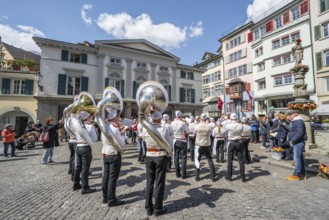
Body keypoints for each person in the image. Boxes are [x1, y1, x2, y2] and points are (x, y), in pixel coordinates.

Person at [144, 110, 169, 217]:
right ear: (160, 118)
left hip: (149, 155)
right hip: (160, 155)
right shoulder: (163, 129)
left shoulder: (146, 129)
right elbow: (169, 144)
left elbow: (144, 141)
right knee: (159, 182)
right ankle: (158, 208)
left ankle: (148, 207)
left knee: (149, 182)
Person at [101, 110, 126, 207]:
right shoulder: (115, 129)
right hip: (114, 154)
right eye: (118, 117)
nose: (119, 119)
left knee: (106, 176)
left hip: (105, 153)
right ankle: (111, 199)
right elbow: (121, 144)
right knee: (112, 178)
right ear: (115, 118)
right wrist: (123, 134)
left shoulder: (105, 127)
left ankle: (105, 197)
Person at [73, 111, 98, 194]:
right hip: (85, 148)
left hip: (78, 147)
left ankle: (76, 184)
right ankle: (85, 187)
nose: (91, 118)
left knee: (78, 166)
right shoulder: (90, 127)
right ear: (87, 118)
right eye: (90, 117)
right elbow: (94, 139)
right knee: (85, 168)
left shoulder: (78, 126)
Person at [221, 113, 246, 182]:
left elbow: (223, 133)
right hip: (238, 142)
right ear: (237, 118)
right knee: (241, 160)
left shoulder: (228, 126)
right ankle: (243, 177)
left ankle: (229, 176)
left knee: (230, 160)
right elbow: (242, 132)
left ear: (231, 118)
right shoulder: (241, 125)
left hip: (231, 142)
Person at [194, 113, 216, 182]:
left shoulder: (197, 126)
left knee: (198, 160)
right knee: (209, 160)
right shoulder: (209, 126)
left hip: (199, 144)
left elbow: (194, 133)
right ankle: (212, 176)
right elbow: (211, 134)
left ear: (200, 119)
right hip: (206, 144)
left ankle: (197, 175)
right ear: (206, 119)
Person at [286, 110, 307, 181]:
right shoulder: (296, 121)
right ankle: (302, 174)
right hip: (297, 142)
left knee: (297, 158)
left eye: (290, 114)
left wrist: (292, 140)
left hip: (298, 142)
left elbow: (299, 133)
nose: (290, 116)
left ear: (295, 114)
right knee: (300, 158)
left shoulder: (298, 121)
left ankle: (296, 174)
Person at [171, 110, 190, 179]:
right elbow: (187, 131)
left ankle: (177, 173)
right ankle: (183, 174)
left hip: (175, 140)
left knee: (176, 157)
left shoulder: (172, 123)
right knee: (183, 158)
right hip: (182, 140)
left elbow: (171, 132)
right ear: (181, 116)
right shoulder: (182, 123)